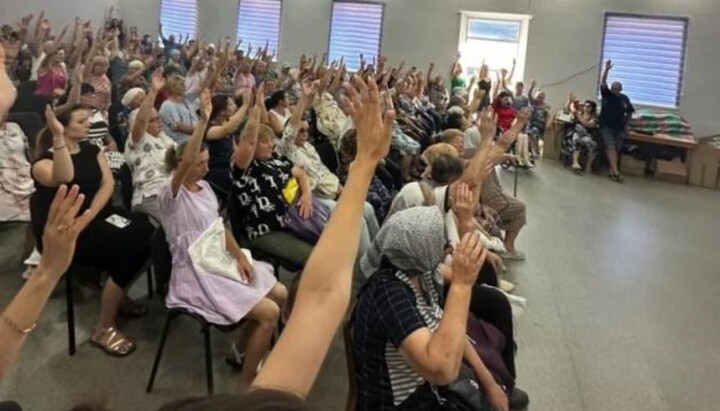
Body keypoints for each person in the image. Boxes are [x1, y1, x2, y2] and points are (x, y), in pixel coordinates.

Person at [159, 88, 287, 388]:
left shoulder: (204, 190)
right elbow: (189, 156)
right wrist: (203, 122)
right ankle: (247, 388)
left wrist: (240, 255)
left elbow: (219, 228)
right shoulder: (170, 193)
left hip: (218, 256)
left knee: (280, 293)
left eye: (206, 162)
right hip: (194, 269)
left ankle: (240, 351)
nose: (205, 168)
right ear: (182, 165)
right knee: (269, 312)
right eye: (199, 163)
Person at [352, 206, 509, 411]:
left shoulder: (420, 271)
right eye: (440, 242)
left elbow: (451, 330)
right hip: (402, 403)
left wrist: (489, 384)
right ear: (422, 249)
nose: (448, 247)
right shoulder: (387, 294)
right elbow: (442, 370)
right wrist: (462, 285)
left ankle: (503, 383)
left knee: (496, 302)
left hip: (425, 391)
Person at [31, 104, 152, 357]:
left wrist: (90, 215)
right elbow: (64, 177)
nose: (89, 124)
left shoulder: (91, 149)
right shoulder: (42, 163)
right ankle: (104, 326)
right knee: (130, 248)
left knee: (145, 229)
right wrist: (57, 138)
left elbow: (107, 185)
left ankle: (116, 294)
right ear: (62, 127)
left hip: (93, 218)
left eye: (88, 120)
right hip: (65, 232)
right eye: (81, 121)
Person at [124, 69, 176, 223]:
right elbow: (141, 120)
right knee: (181, 224)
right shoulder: (137, 140)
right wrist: (153, 91)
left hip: (174, 189)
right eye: (152, 120)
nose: (158, 122)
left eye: (158, 118)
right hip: (151, 194)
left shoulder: (166, 139)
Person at [204, 90, 253, 203]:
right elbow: (226, 130)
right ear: (221, 110)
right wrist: (244, 105)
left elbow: (235, 151)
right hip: (213, 173)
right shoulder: (208, 128)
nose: (235, 107)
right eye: (231, 104)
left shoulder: (226, 127)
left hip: (228, 169)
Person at [599, 60, 635, 182]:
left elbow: (629, 112)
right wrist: (606, 69)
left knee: (616, 149)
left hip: (619, 128)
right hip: (606, 126)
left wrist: (626, 125)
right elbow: (603, 83)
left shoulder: (624, 98)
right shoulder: (607, 95)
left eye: (617, 88)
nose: (614, 90)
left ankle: (612, 171)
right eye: (613, 88)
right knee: (610, 147)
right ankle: (615, 171)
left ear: (620, 89)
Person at [159, 71, 199, 143]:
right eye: (182, 85)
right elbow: (179, 127)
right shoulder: (167, 106)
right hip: (180, 143)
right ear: (173, 87)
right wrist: (202, 130)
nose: (185, 86)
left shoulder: (187, 101)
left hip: (195, 138)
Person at [569, 97, 599, 174]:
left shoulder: (594, 118)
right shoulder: (580, 113)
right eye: (585, 105)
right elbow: (571, 109)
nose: (585, 107)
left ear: (592, 108)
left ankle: (588, 165)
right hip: (577, 133)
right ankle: (575, 163)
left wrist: (578, 115)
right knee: (576, 139)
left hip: (588, 135)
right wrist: (571, 101)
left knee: (592, 144)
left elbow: (588, 124)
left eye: (588, 106)